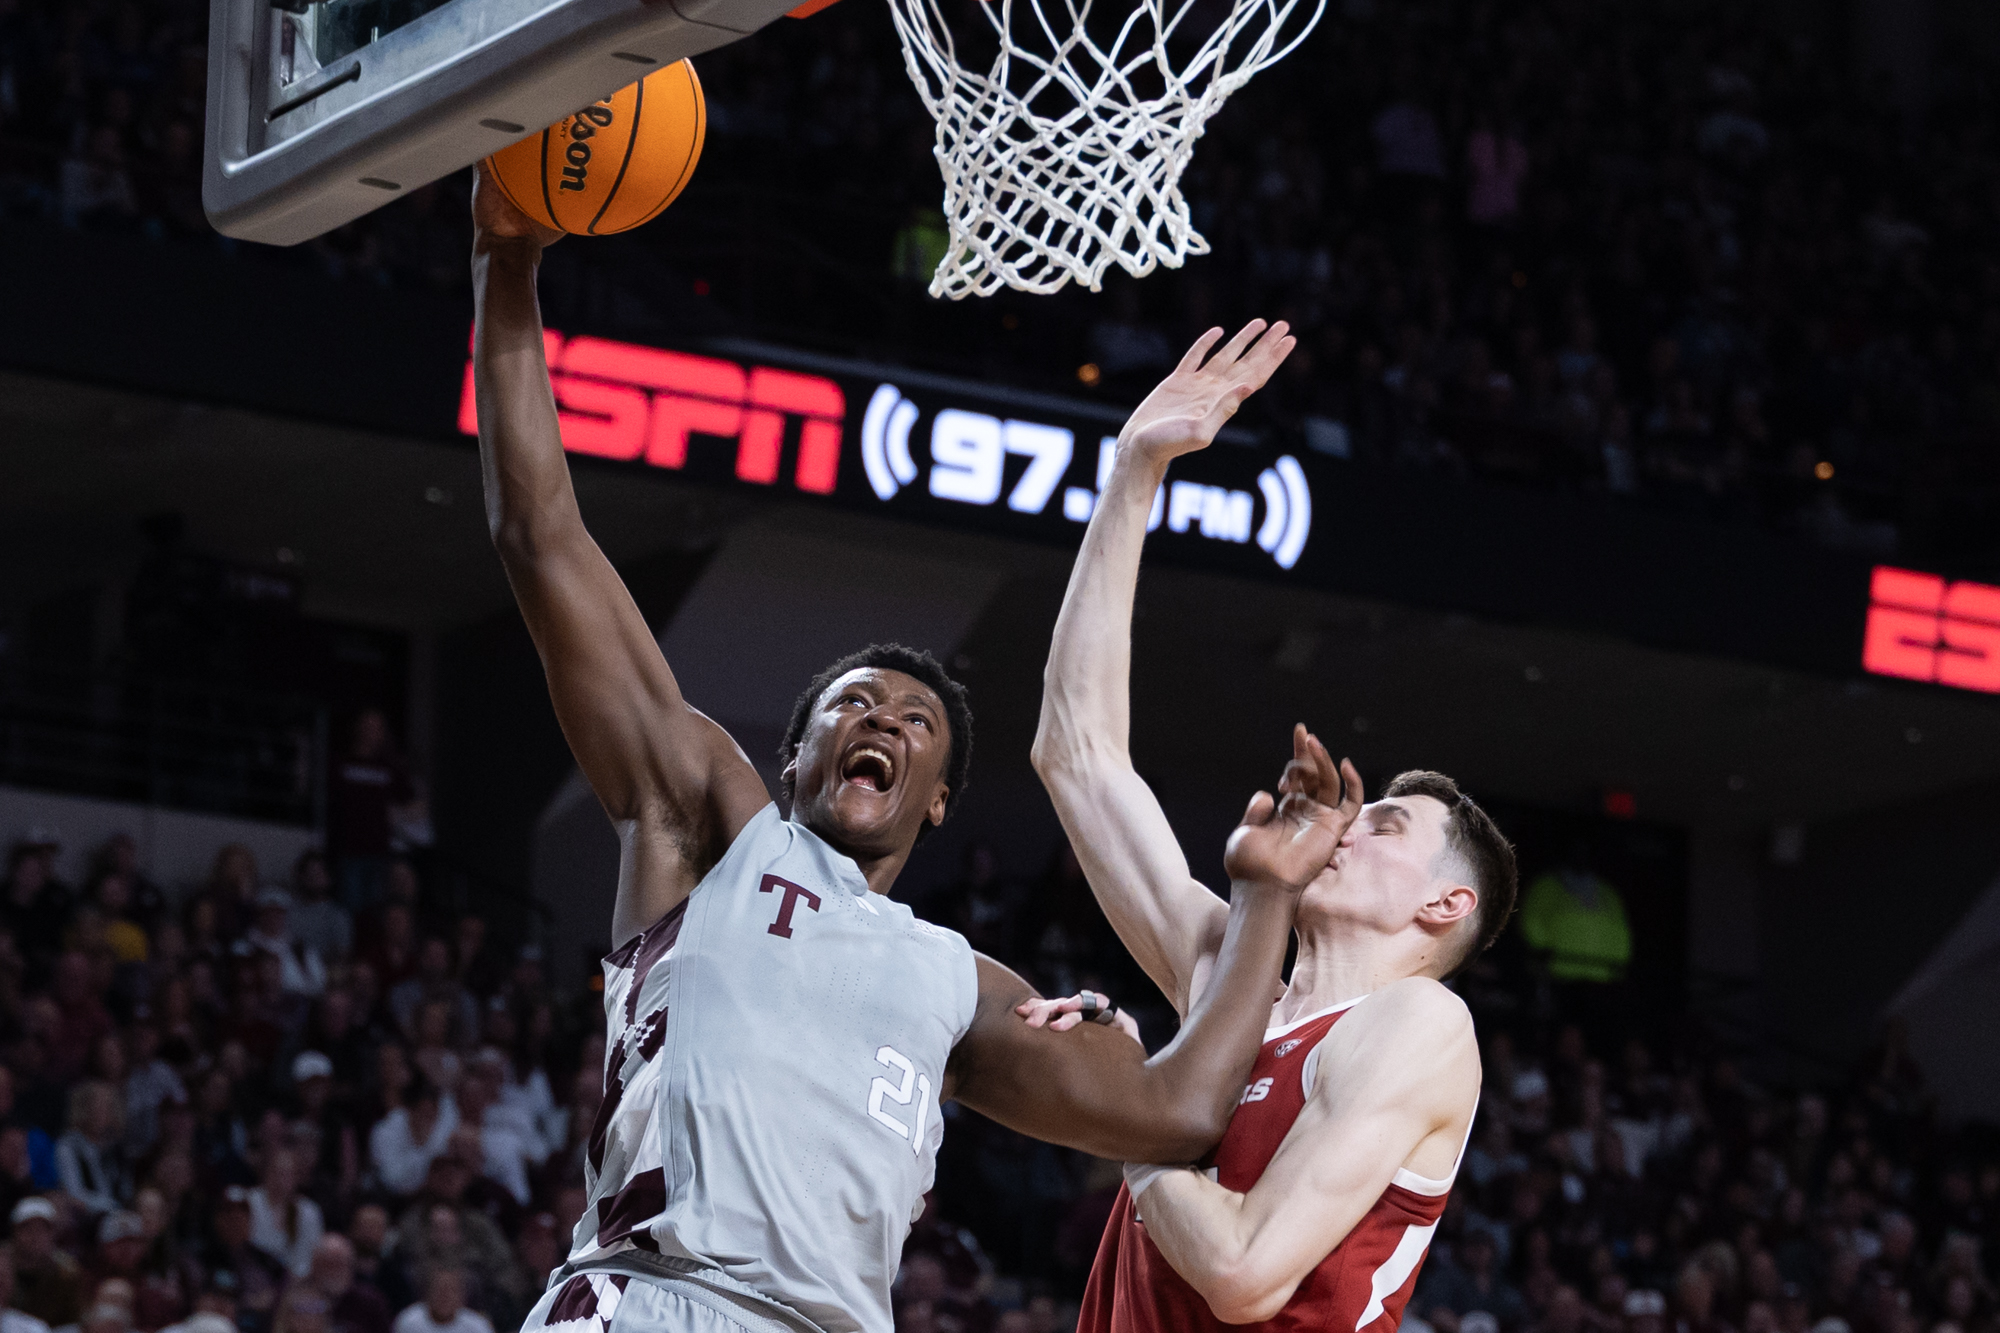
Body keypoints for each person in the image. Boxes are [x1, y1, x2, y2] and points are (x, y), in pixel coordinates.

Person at [469, 165, 1356, 1333]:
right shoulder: (708, 829)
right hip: (650, 1302)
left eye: (914, 720)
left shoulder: (963, 988)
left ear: (937, 802)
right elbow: (543, 539)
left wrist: (1259, 895)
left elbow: (1180, 1109)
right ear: (792, 763)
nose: (881, 718)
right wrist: (509, 264)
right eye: (850, 704)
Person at [1027, 321, 1517, 1330]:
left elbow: (1245, 1274)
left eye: (1382, 823)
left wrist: (1132, 1102)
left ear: (1443, 902)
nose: (1346, 826)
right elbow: (1075, 753)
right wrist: (1132, 472)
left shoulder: (1416, 1024)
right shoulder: (1226, 975)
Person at [391, 1269, 490, 1333]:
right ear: (427, 1293)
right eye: (439, 1290)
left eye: (451, 1291)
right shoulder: (408, 1321)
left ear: (461, 1296)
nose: (445, 1297)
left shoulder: (477, 1326)